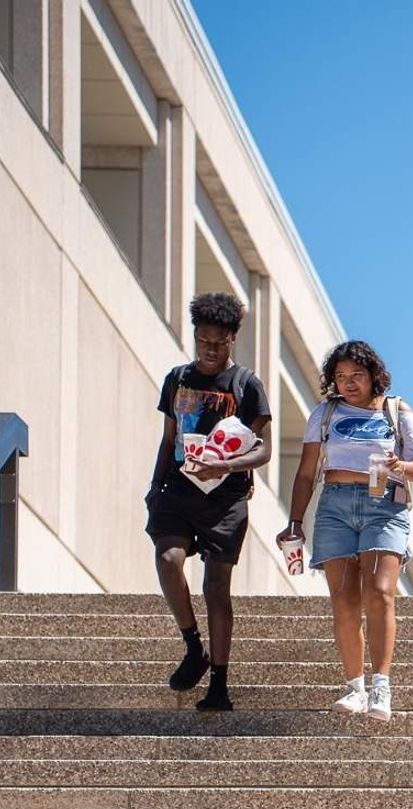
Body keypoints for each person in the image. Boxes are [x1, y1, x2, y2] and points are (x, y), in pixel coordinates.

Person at [279, 341, 413, 722]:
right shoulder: (325, 413)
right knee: (344, 601)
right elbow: (306, 471)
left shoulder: (398, 410)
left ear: (373, 375)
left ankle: (382, 685)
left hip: (384, 505)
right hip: (335, 506)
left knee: (379, 593)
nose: (348, 383)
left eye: (356, 376)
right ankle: (355, 687)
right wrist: (295, 521)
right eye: (341, 377)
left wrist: (401, 465)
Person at [144, 291, 272, 712]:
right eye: (202, 341)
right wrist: (154, 486)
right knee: (168, 561)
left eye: (217, 342)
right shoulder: (178, 379)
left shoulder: (246, 385)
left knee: (216, 586)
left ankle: (219, 683)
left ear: (232, 338)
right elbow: (169, 439)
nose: (209, 350)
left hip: (226, 498)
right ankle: (192, 646)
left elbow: (264, 450)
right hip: (179, 491)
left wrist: (228, 466)